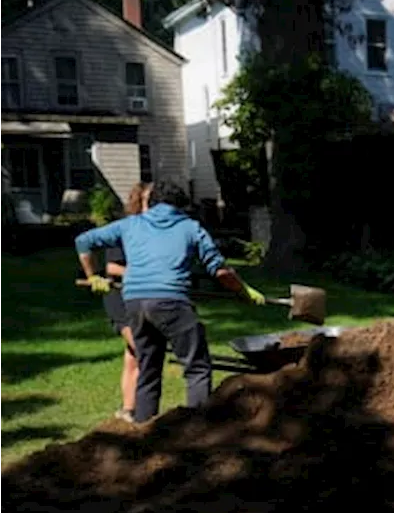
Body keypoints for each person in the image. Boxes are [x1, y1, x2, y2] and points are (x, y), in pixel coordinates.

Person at [75, 181, 267, 424]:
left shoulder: (130, 224)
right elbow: (220, 271)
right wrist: (244, 290)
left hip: (134, 303)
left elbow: (83, 241)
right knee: (197, 367)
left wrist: (92, 276)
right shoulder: (190, 228)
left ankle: (144, 428)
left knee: (148, 369)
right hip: (171, 302)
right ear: (182, 206)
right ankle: (197, 429)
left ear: (151, 202)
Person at [97, 182, 152, 423]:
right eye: (150, 200)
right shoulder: (123, 231)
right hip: (120, 299)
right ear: (138, 202)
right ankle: (143, 412)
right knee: (143, 351)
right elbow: (112, 267)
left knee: (132, 356)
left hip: (141, 300)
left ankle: (128, 409)